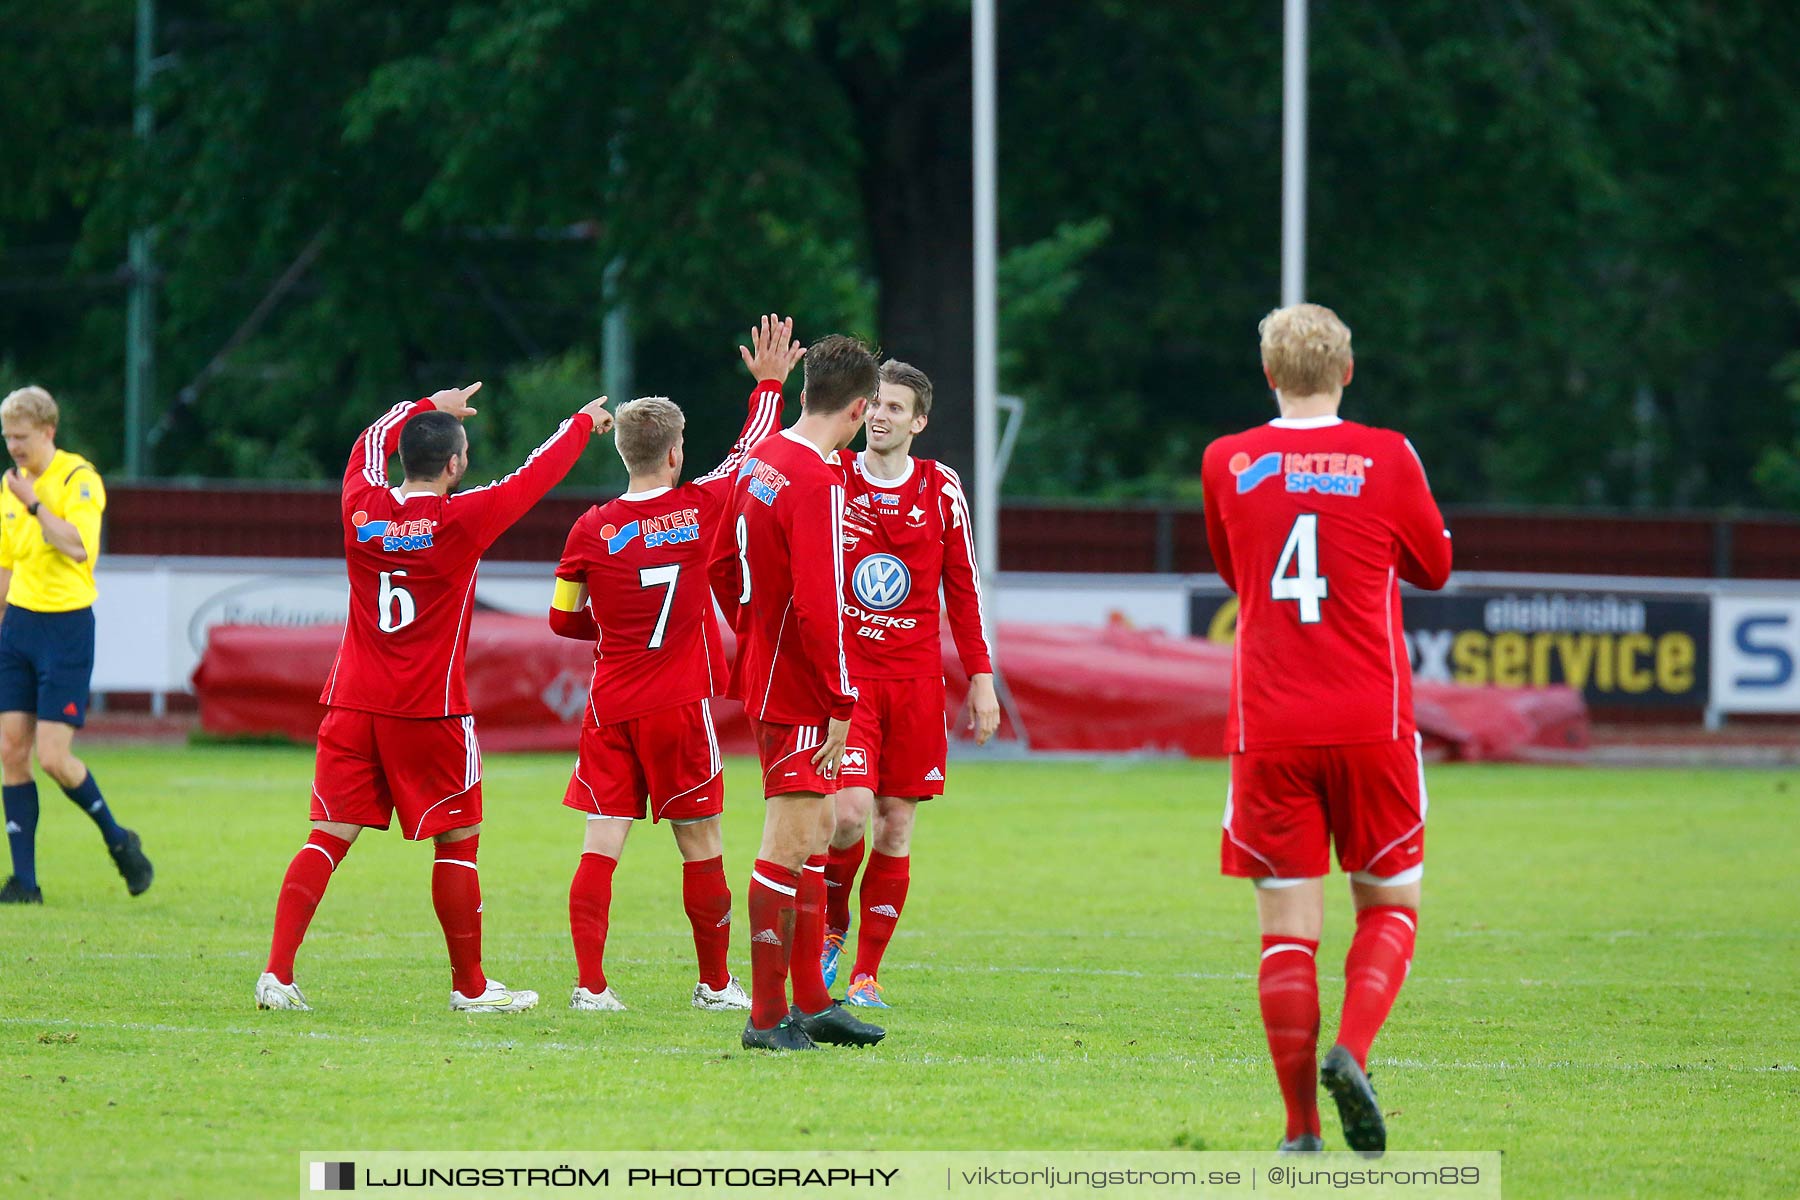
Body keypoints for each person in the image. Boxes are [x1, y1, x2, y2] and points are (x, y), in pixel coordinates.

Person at [255, 382, 612, 1013]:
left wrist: (424, 406)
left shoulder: (361, 509)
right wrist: (582, 422)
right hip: (430, 707)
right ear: (454, 466)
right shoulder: (461, 519)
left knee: (327, 837)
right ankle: (470, 987)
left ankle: (277, 976)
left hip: (352, 704)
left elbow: (367, 442)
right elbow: (535, 475)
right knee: (459, 839)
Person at [1200, 303, 1453, 1153]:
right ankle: (1353, 1048)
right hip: (1370, 718)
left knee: (1286, 930)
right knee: (1390, 904)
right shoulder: (1387, 454)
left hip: (1269, 723)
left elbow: (1236, 567)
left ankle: (1300, 1131)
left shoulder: (1226, 460)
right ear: (1348, 371)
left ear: (1268, 374)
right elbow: (1435, 566)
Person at [547, 314, 800, 1013]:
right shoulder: (699, 508)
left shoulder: (589, 528)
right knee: (702, 843)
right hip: (679, 703)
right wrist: (770, 384)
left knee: (601, 845)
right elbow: (754, 451)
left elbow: (563, 617)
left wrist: (610, 630)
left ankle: (591, 986)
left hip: (611, 704)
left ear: (625, 453)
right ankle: (715, 982)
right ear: (673, 454)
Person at [722, 333, 886, 1052]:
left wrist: (754, 632)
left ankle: (814, 1002)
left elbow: (726, 563)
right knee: (785, 846)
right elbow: (822, 605)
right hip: (798, 690)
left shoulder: (761, 461)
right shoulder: (815, 479)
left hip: (773, 669)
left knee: (817, 834)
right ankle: (765, 1016)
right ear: (857, 408)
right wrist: (843, 703)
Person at [819, 360, 999, 1007]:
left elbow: (965, 589)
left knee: (895, 828)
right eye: (875, 405)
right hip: (851, 682)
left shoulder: (940, 488)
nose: (883, 415)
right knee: (847, 814)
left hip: (917, 683)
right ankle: (833, 926)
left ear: (919, 421)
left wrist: (981, 677)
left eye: (897, 407)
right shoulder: (833, 475)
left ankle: (866, 972)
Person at [0, 386, 152, 904]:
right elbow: (5, 564)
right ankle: (25, 883)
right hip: (18, 626)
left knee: (53, 757)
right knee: (10, 749)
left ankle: (117, 839)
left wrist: (36, 503)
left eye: (21, 437)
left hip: (65, 629)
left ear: (48, 431)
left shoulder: (77, 479)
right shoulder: (9, 485)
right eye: (7, 438)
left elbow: (79, 547)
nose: (13, 447)